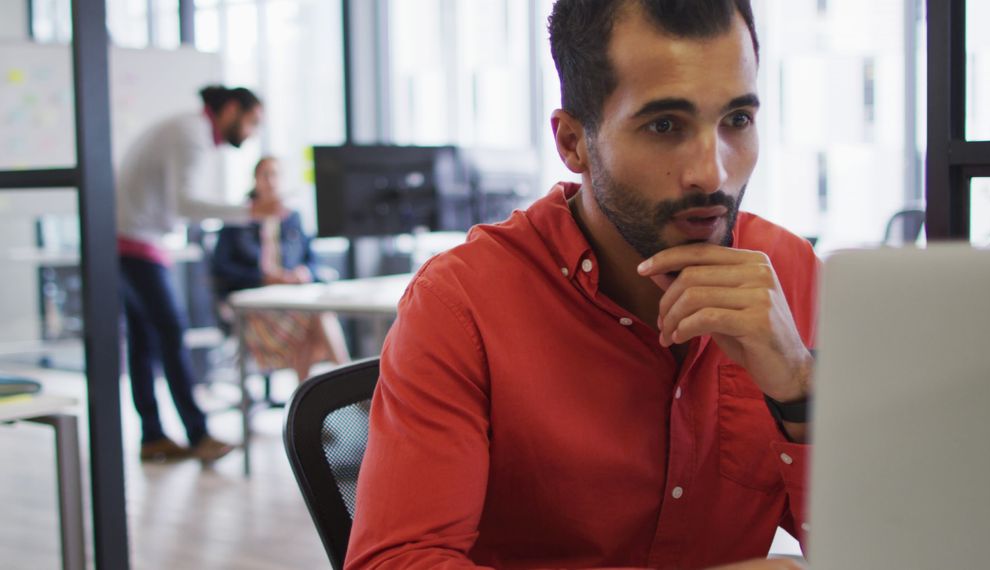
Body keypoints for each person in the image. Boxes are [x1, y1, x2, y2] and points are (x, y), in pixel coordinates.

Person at [346, 1, 817, 569]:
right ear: (573, 142)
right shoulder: (463, 304)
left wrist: (797, 388)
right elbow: (396, 562)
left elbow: (886, 537)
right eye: (664, 125)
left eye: (736, 121)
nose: (712, 173)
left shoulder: (787, 271)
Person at [116, 85, 280, 463]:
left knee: (143, 342)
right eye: (253, 122)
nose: (252, 132)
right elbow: (185, 203)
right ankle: (197, 432)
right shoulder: (192, 134)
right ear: (232, 109)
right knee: (170, 332)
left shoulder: (185, 128)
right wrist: (251, 211)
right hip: (135, 242)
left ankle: (153, 436)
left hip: (135, 241)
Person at [211, 156, 349, 383]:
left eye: (276, 175)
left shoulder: (292, 219)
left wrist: (303, 273)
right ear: (255, 180)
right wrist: (265, 279)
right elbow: (222, 270)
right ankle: (348, 390)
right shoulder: (238, 220)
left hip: (291, 303)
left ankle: (305, 402)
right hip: (254, 309)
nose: (271, 181)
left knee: (316, 320)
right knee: (318, 321)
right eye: (265, 175)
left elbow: (312, 262)